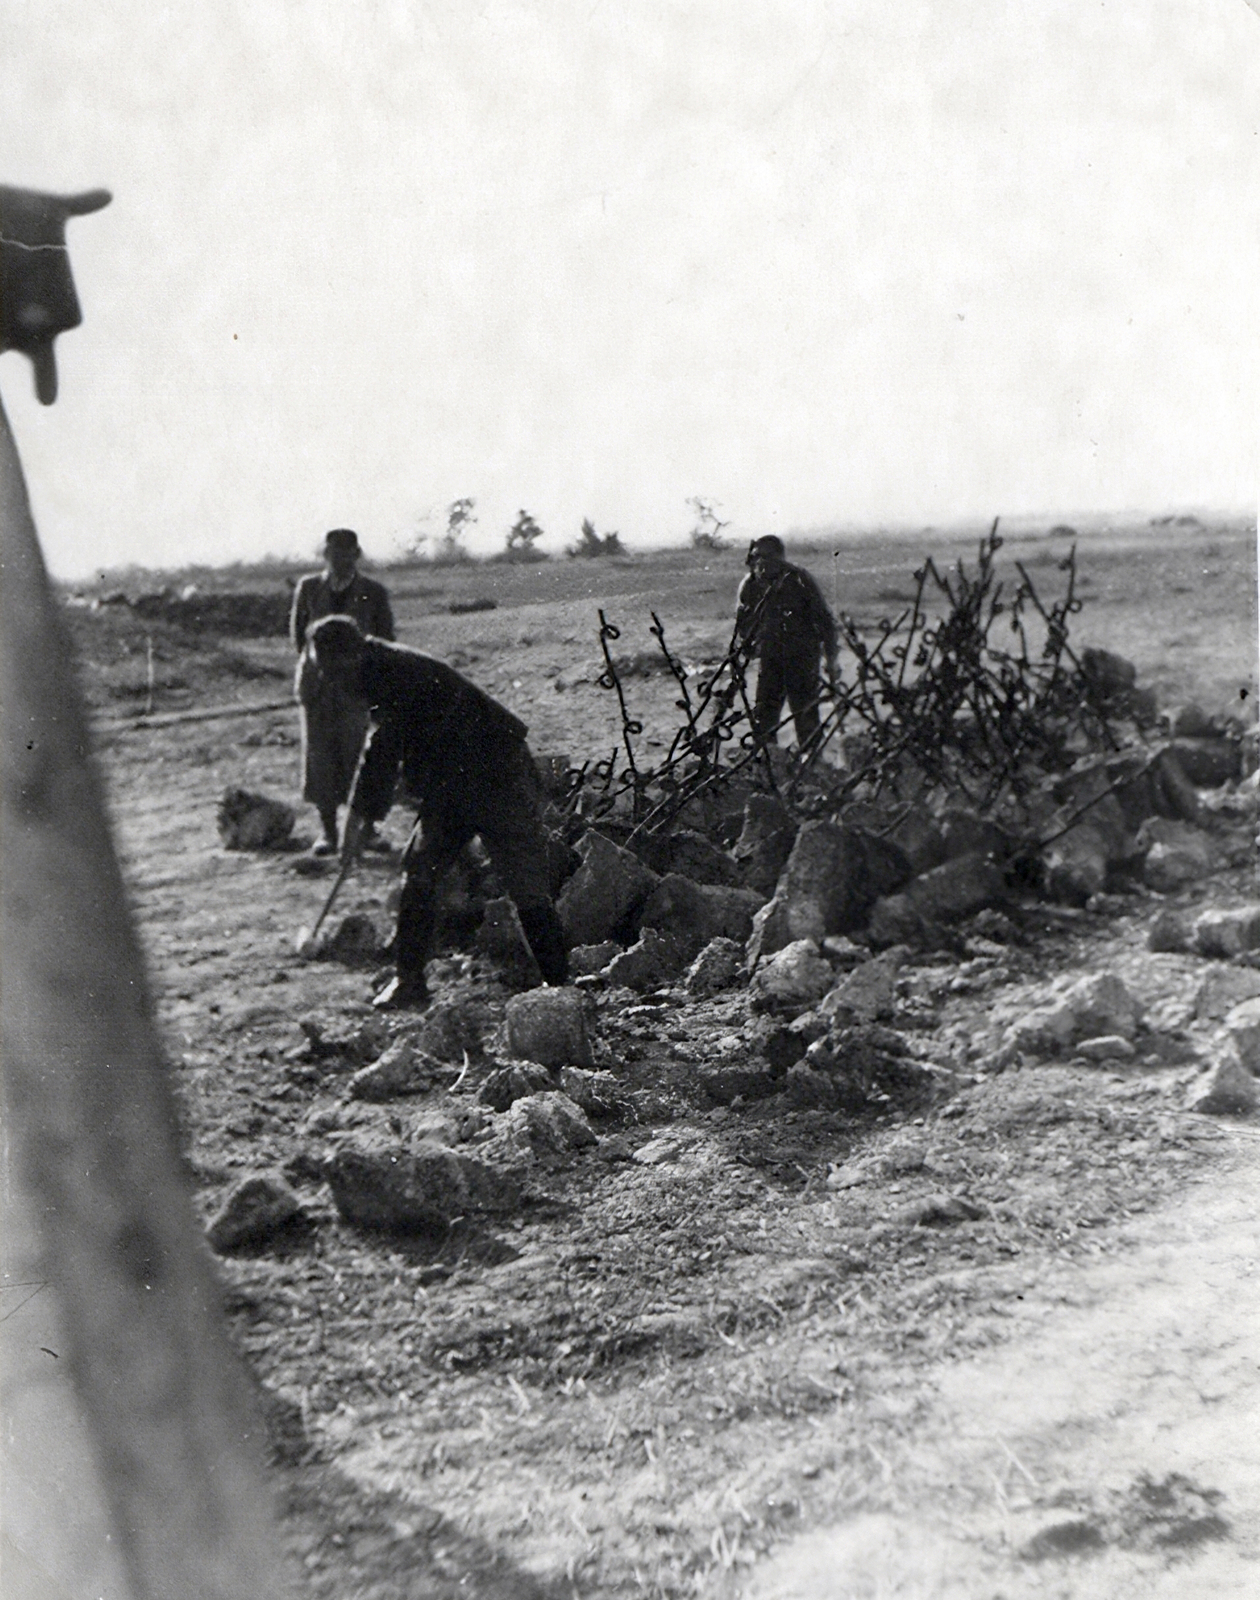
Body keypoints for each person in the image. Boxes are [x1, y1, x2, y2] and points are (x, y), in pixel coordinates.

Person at [307, 615, 569, 1011]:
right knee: (420, 872)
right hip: (453, 780)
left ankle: (560, 986)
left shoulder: (389, 671)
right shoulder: (375, 665)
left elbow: (381, 753)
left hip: (496, 770)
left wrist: (356, 825)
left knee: (523, 881)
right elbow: (386, 751)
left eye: (331, 670)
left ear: (350, 654)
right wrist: (359, 822)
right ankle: (409, 983)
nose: (330, 680)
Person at [291, 528, 395, 854]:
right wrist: (320, 667)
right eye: (334, 553)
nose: (340, 560)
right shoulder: (308, 588)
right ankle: (328, 833)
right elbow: (298, 636)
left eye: (347, 554)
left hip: (357, 687)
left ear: (357, 555)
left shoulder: (373, 591)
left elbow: (386, 638)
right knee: (320, 758)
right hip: (318, 688)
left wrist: (369, 678)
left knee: (359, 756)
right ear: (325, 555)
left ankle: (368, 831)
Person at [734, 535, 839, 751]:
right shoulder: (750, 585)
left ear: (779, 558)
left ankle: (811, 762)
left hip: (802, 657)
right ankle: (768, 762)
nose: (760, 563)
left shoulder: (799, 580)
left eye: (766, 558)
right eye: (756, 558)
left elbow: (825, 621)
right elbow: (743, 623)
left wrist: (831, 659)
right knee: (764, 715)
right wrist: (747, 644)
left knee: (805, 713)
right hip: (771, 657)